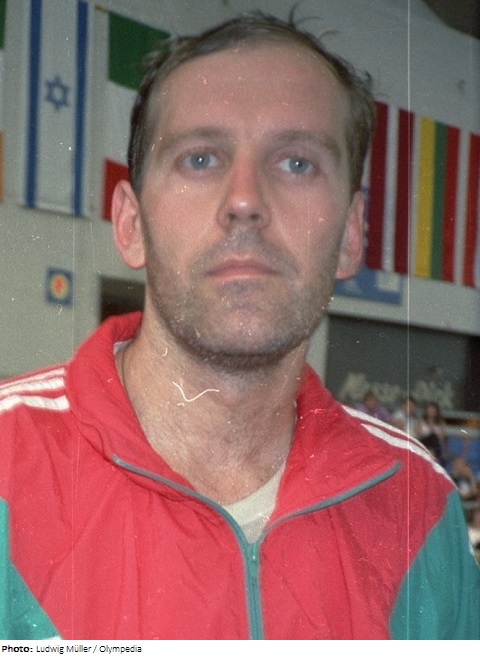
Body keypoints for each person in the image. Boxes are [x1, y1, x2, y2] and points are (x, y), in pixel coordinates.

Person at [0, 12, 479, 641]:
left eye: (297, 163)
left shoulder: (422, 506)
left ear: (351, 234)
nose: (245, 199)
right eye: (200, 158)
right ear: (131, 224)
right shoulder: (8, 466)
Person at [416, 402, 448, 466]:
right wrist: (430, 432)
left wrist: (433, 431)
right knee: (432, 436)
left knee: (434, 437)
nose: (431, 412)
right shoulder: (421, 421)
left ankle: (434, 456)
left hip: (436, 444)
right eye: (429, 410)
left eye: (433, 411)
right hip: (424, 442)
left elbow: (442, 438)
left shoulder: (440, 423)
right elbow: (419, 436)